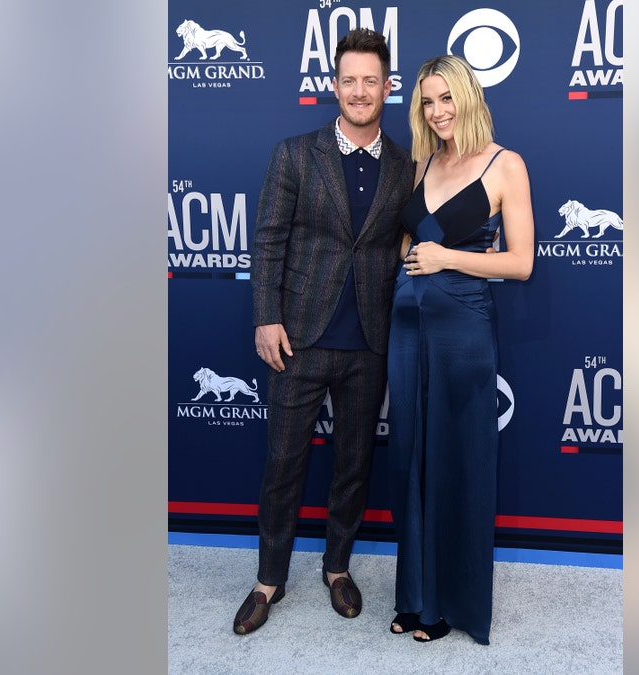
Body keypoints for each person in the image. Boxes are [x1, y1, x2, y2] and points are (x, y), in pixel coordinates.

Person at [233, 28, 413, 636]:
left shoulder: (404, 165)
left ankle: (338, 567)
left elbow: (411, 237)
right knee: (284, 462)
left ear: (388, 87)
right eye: (349, 80)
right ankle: (268, 579)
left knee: (354, 462)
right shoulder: (294, 153)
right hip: (299, 337)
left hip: (369, 340)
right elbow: (269, 240)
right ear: (332, 85)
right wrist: (266, 316)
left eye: (371, 81)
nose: (360, 91)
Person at [385, 55, 535, 645]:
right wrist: (409, 259)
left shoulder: (505, 165)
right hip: (406, 326)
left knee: (455, 458)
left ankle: (450, 603)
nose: (437, 111)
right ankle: (415, 595)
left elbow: (521, 263)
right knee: (410, 459)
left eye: (446, 98)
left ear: (469, 97)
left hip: (463, 329)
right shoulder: (425, 161)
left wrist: (446, 259)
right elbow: (407, 234)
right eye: (427, 101)